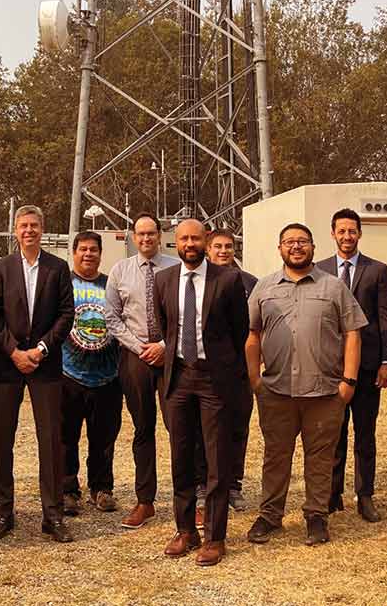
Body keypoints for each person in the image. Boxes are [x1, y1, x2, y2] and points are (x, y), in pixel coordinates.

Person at [245, 222, 366, 547]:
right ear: (280, 248)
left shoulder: (334, 287)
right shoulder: (265, 287)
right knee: (275, 456)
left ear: (313, 246)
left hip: (325, 393)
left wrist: (348, 381)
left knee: (321, 458)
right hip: (277, 391)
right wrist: (256, 379)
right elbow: (252, 335)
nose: (296, 247)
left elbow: (352, 332)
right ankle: (270, 515)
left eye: (302, 241)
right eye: (289, 242)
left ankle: (316, 516)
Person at [154, 218, 249, 567]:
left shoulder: (227, 279)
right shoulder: (163, 280)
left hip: (214, 380)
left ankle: (214, 536)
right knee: (181, 457)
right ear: (175, 243)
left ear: (206, 241)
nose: (189, 243)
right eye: (183, 239)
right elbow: (165, 326)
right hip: (178, 378)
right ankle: (185, 530)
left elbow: (239, 332)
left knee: (216, 460)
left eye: (196, 238)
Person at [0, 205, 75, 542]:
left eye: (34, 225)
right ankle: (4, 512)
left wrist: (41, 350)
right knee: (4, 438)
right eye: (23, 225)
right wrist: (13, 351)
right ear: (15, 230)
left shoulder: (58, 267)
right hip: (8, 365)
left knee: (51, 439)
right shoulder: (2, 268)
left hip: (45, 364)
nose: (29, 231)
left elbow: (67, 314)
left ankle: (53, 515)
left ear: (43, 229)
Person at [315, 207, 387, 523]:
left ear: (359, 234)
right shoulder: (319, 269)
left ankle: (365, 496)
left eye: (352, 231)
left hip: (367, 367)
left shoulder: (377, 270)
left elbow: (386, 317)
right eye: (342, 231)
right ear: (333, 233)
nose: (347, 236)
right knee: (332, 434)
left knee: (365, 434)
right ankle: (332, 495)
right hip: (330, 368)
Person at [103, 212, 180, 530]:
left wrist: (164, 345)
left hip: (171, 356)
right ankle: (145, 501)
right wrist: (139, 347)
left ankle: (187, 500)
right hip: (135, 357)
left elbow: (185, 313)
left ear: (160, 234)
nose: (146, 239)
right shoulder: (120, 271)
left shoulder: (176, 268)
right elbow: (111, 316)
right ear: (133, 236)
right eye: (141, 234)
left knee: (181, 429)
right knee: (143, 429)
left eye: (151, 233)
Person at [60, 231, 121, 516]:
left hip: (107, 376)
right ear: (74, 253)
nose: (88, 254)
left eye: (93, 250)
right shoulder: (62, 286)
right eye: (83, 249)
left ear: (100, 253)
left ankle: (102, 488)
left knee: (103, 438)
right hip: (68, 374)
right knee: (66, 437)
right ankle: (68, 491)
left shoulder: (112, 286)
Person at [204, 228, 256, 512]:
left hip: (240, 371)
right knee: (206, 431)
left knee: (237, 428)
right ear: (208, 250)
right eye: (218, 247)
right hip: (206, 371)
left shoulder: (249, 282)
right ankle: (205, 483)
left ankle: (234, 484)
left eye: (228, 246)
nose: (223, 251)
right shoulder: (199, 281)